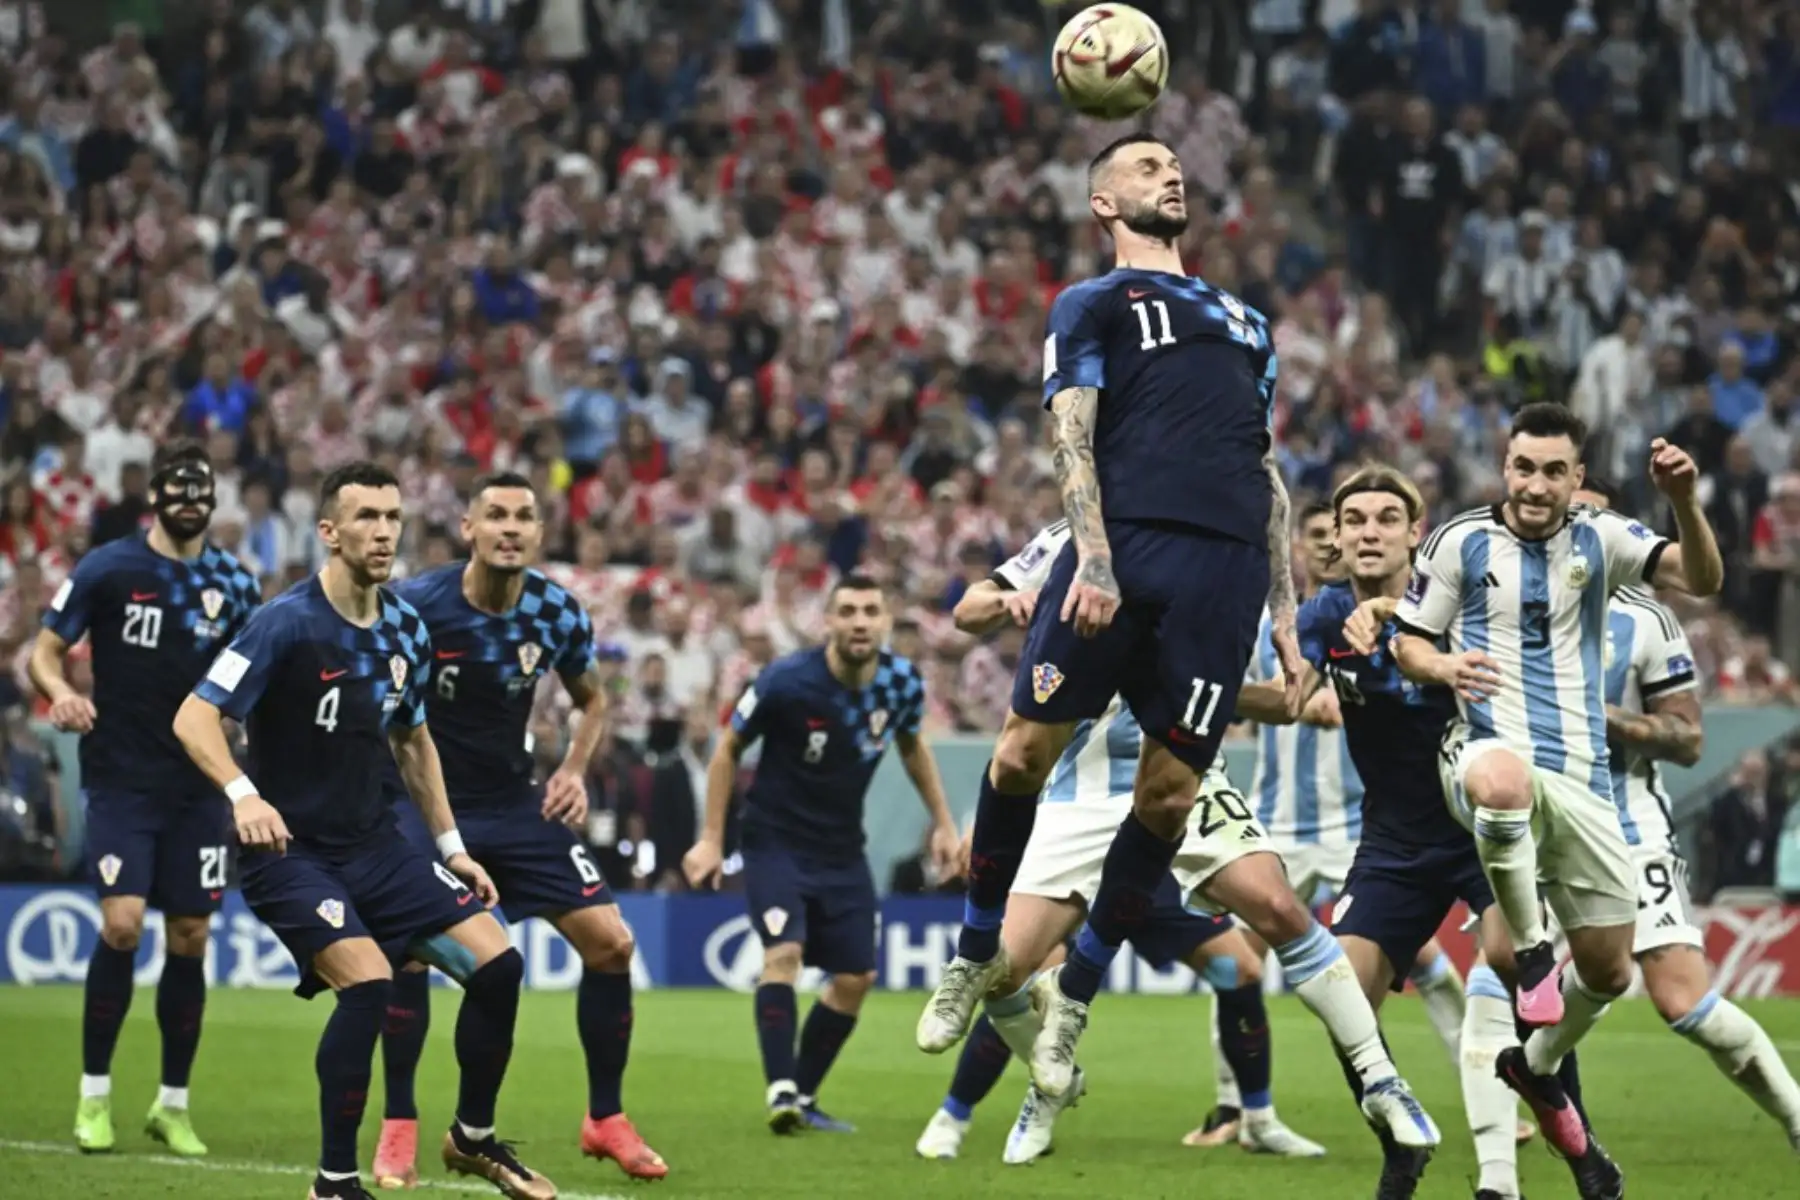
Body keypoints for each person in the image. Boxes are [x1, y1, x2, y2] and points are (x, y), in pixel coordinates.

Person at [917, 133, 1438, 1170]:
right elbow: (1073, 433)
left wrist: (1287, 609)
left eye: (1173, 165)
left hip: (1226, 571)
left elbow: (1269, 468)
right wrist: (1097, 562)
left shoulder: (1245, 320)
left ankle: (1075, 998)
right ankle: (975, 949)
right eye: (1148, 166)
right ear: (1104, 201)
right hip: (1130, 549)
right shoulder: (1092, 303)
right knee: (1020, 751)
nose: (1172, 174)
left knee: (1165, 797)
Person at [171, 461, 554, 1200]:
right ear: (329, 532)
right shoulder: (286, 622)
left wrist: (451, 848)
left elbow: (413, 743)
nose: (383, 532)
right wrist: (244, 794)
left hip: (378, 848)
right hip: (290, 855)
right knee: (371, 983)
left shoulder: (406, 626)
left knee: (500, 966)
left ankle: (472, 1139)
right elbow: (194, 718)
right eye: (367, 518)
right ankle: (335, 1182)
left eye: (391, 517)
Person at [914, 521, 1324, 1164]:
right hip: (1078, 812)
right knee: (1011, 975)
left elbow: (1252, 698)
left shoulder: (1207, 556)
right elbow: (970, 610)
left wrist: (1264, 694)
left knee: (1237, 966)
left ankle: (1259, 1116)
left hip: (1157, 821)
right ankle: (966, 1111)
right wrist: (1005, 602)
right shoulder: (1068, 540)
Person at [1391, 405, 1724, 1167]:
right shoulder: (1460, 541)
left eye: (1552, 471)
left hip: (1582, 777)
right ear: (1505, 465)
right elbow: (1409, 642)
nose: (1534, 485)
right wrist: (1444, 666)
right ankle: (1536, 954)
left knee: (1607, 972)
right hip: (1482, 748)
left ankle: (1534, 1068)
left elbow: (1703, 579)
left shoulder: (1602, 539)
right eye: (1522, 467)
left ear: (1577, 479)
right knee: (1502, 784)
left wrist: (1684, 502)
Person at [372, 472, 665, 1186]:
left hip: (514, 804)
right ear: (467, 528)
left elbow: (593, 700)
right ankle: (400, 1123)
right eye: (495, 515)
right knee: (408, 956)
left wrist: (572, 768)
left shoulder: (556, 612)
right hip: (426, 804)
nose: (510, 528)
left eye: (524, 518)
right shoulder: (416, 606)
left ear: (540, 534)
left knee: (612, 943)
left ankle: (604, 1118)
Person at [1194, 496, 1473, 1163]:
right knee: (1240, 962)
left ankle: (1489, 1083)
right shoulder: (1286, 626)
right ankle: (1238, 1105)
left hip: (1356, 820)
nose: (1328, 544)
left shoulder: (1421, 613)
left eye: (1335, 533)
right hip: (1279, 819)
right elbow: (1274, 695)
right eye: (1321, 535)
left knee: (1426, 960)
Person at [29, 442, 261, 1158]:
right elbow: (42, 652)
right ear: (153, 495)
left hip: (198, 788)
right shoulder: (108, 567)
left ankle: (172, 1104)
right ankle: (93, 1095)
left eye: (202, 488)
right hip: (121, 781)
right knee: (124, 925)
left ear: (213, 499)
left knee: (190, 938)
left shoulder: (235, 582)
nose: (191, 498)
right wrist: (63, 693)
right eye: (179, 487)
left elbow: (256, 680)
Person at [682, 574, 959, 1133]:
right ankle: (781, 1089)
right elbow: (728, 747)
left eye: (871, 611)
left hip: (841, 848)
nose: (860, 621)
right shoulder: (786, 680)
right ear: (828, 621)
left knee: (856, 976)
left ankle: (803, 1098)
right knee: (783, 953)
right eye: (849, 611)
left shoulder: (901, 683)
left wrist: (945, 824)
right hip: (775, 840)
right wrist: (711, 837)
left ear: (885, 620)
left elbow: (912, 747)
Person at [1576, 479, 1800, 1153]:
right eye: (1571, 515)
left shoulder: (1647, 621)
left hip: (1626, 824)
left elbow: (1689, 739)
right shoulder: (1507, 607)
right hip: (1534, 826)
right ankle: (1503, 1166)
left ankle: (1795, 1112)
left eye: (1595, 516)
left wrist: (1616, 721)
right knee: (1504, 977)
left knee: (1681, 1001)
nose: (1580, 527)